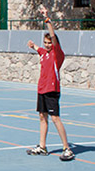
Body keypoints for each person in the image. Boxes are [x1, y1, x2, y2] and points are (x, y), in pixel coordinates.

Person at [27, 10, 74, 161]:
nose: (47, 45)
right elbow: (38, 49)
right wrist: (33, 46)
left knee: (55, 118)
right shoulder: (44, 53)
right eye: (45, 43)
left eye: (49, 43)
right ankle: (42, 146)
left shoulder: (57, 54)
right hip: (41, 89)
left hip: (52, 90)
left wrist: (47, 20)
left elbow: (52, 36)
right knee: (42, 117)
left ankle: (67, 148)